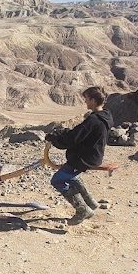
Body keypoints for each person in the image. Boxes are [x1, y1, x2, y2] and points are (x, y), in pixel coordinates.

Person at [47, 86, 113, 225]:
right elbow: (79, 133)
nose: (85, 102)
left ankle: (83, 210)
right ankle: (91, 202)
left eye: (87, 99)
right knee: (70, 176)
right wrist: (63, 132)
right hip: (94, 155)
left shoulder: (93, 120)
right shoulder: (105, 116)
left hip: (84, 158)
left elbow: (72, 139)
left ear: (93, 101)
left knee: (58, 180)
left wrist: (55, 139)